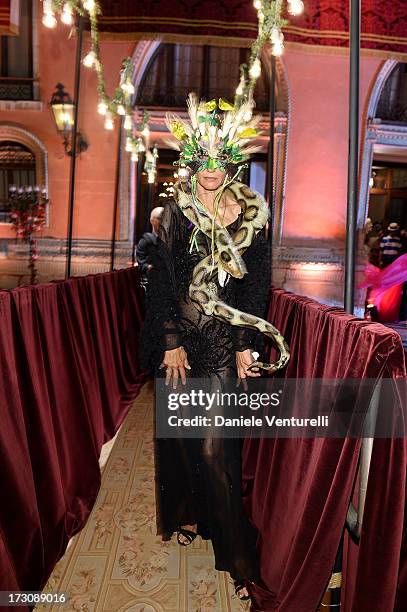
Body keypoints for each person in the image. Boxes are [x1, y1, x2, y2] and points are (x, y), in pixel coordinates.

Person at [139, 94, 289, 602]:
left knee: (217, 444)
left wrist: (247, 343)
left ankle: (237, 553)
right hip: (183, 334)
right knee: (183, 435)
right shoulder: (176, 214)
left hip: (223, 337)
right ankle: (193, 515)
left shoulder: (251, 215)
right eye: (200, 162)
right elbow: (161, 279)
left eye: (218, 162)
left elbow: (255, 286)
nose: (209, 171)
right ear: (191, 163)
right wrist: (170, 341)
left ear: (232, 165)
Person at [135, 206, 164, 280]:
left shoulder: (170, 241)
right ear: (152, 220)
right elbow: (141, 265)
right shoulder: (145, 241)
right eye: (159, 218)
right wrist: (150, 267)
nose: (163, 222)